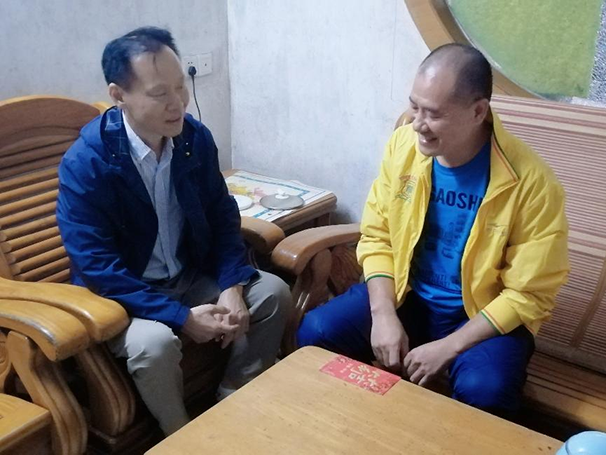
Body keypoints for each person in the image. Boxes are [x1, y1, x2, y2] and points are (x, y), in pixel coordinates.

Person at [297, 43, 569, 417]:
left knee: (486, 391)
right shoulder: (404, 147)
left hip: (479, 315)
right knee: (317, 331)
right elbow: (377, 236)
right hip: (409, 296)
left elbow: (528, 294)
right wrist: (383, 314)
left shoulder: (533, 184)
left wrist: (450, 346)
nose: (418, 124)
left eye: (434, 114)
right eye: (415, 107)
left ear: (478, 112)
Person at [56, 26, 291, 435]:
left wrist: (232, 285)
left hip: (188, 275)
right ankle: (181, 435)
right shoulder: (87, 163)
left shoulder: (192, 139)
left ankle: (234, 393)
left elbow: (222, 216)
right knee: (155, 344)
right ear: (118, 95)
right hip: (125, 295)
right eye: (159, 93)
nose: (178, 103)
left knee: (273, 292)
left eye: (180, 86)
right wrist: (180, 317)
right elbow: (97, 267)